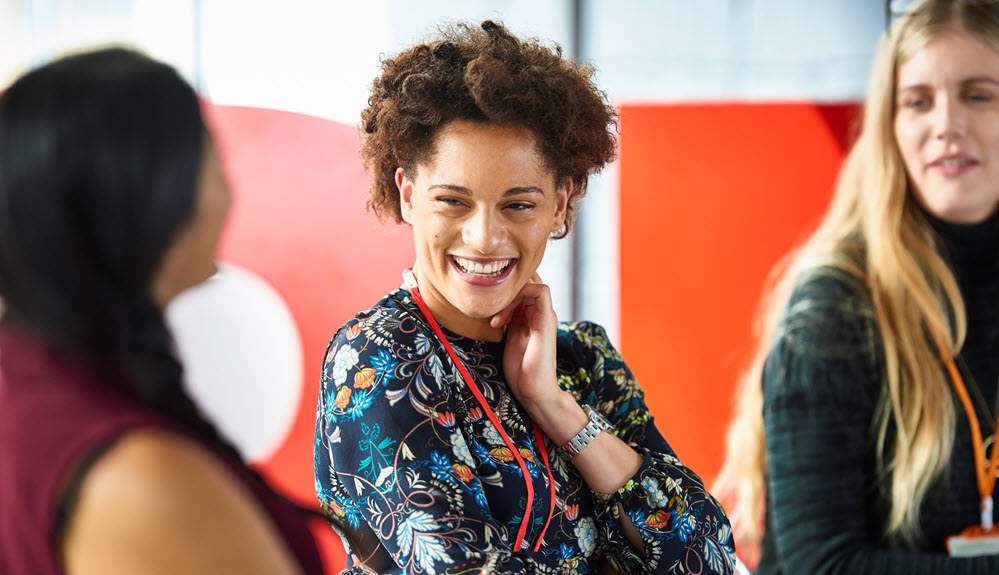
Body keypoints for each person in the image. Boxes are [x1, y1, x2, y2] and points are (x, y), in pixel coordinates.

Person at [313, 20, 736, 575]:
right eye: (453, 202)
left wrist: (553, 405)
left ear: (559, 207)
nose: (484, 237)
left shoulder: (583, 360)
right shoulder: (377, 358)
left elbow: (707, 555)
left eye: (518, 205)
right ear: (409, 197)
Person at [0, 48, 323, 574]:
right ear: (156, 199)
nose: (228, 187)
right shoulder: (141, 479)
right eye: (211, 159)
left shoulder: (31, 382)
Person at [715, 0, 999, 572]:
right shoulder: (834, 305)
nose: (946, 123)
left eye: (978, 94)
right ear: (890, 129)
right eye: (918, 101)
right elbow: (817, 565)